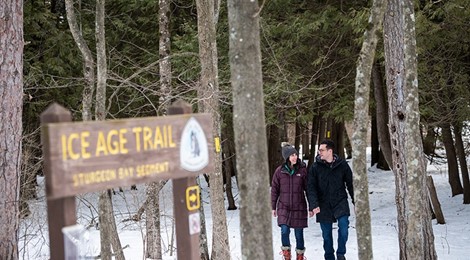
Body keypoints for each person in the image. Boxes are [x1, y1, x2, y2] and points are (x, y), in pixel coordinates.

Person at [307, 139, 354, 260]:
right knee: (326, 235)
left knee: (344, 228)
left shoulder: (342, 165)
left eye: (322, 150)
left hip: (340, 201)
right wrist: (313, 204)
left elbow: (351, 184)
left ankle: (341, 254)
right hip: (323, 204)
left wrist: (356, 201)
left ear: (330, 151)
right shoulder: (315, 167)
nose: (319, 152)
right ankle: (329, 256)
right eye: (319, 150)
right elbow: (311, 188)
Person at [271, 143, 308, 260]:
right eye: (292, 155)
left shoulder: (303, 170)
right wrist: (273, 207)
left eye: (296, 154)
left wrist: (313, 206)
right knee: (284, 231)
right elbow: (274, 190)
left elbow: (309, 189)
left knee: (299, 234)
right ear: (287, 157)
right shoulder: (279, 171)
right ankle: (286, 254)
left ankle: (300, 256)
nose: (295, 157)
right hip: (283, 206)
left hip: (299, 206)